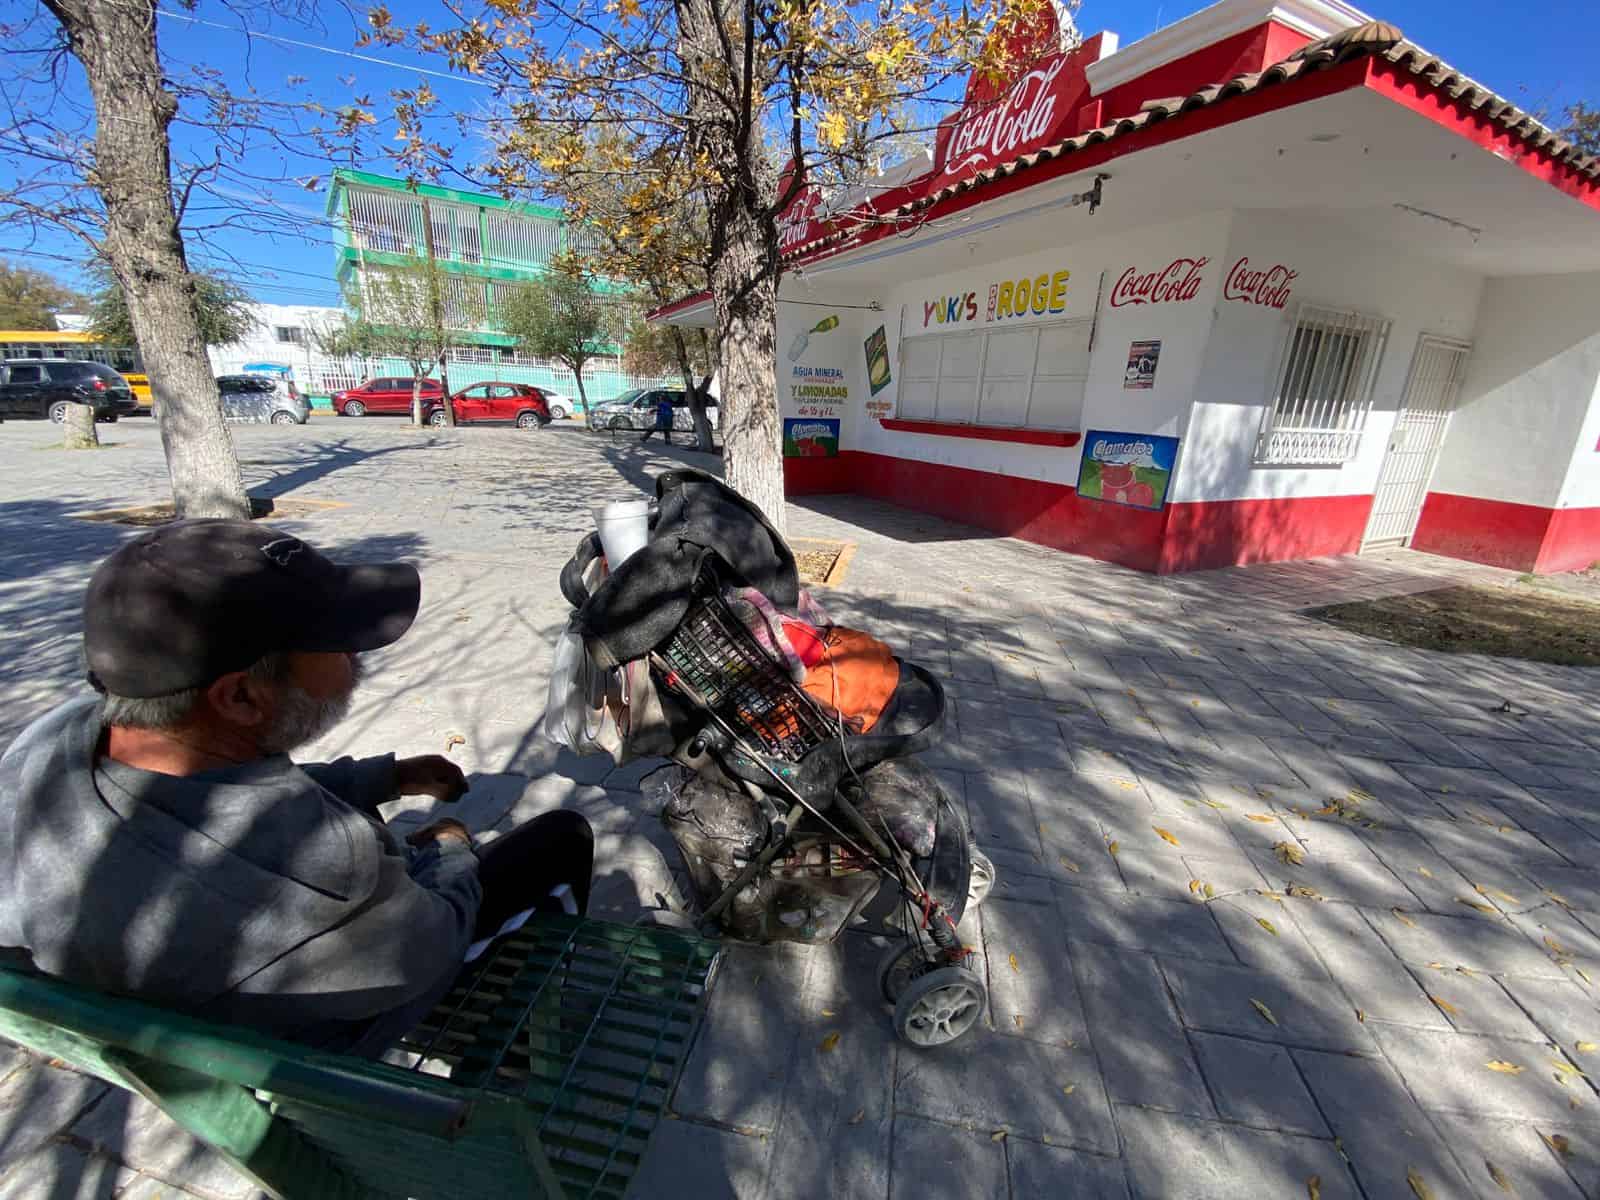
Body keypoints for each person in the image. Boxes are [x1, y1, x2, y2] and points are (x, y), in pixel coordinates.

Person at [0, 520, 593, 1056]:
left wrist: (378, 779)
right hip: (335, 1027)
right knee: (560, 839)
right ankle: (512, 1044)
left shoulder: (52, 745)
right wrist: (448, 847)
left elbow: (211, 801)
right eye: (334, 643)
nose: (356, 656)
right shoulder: (330, 866)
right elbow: (430, 942)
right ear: (238, 696)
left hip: (185, 1000)